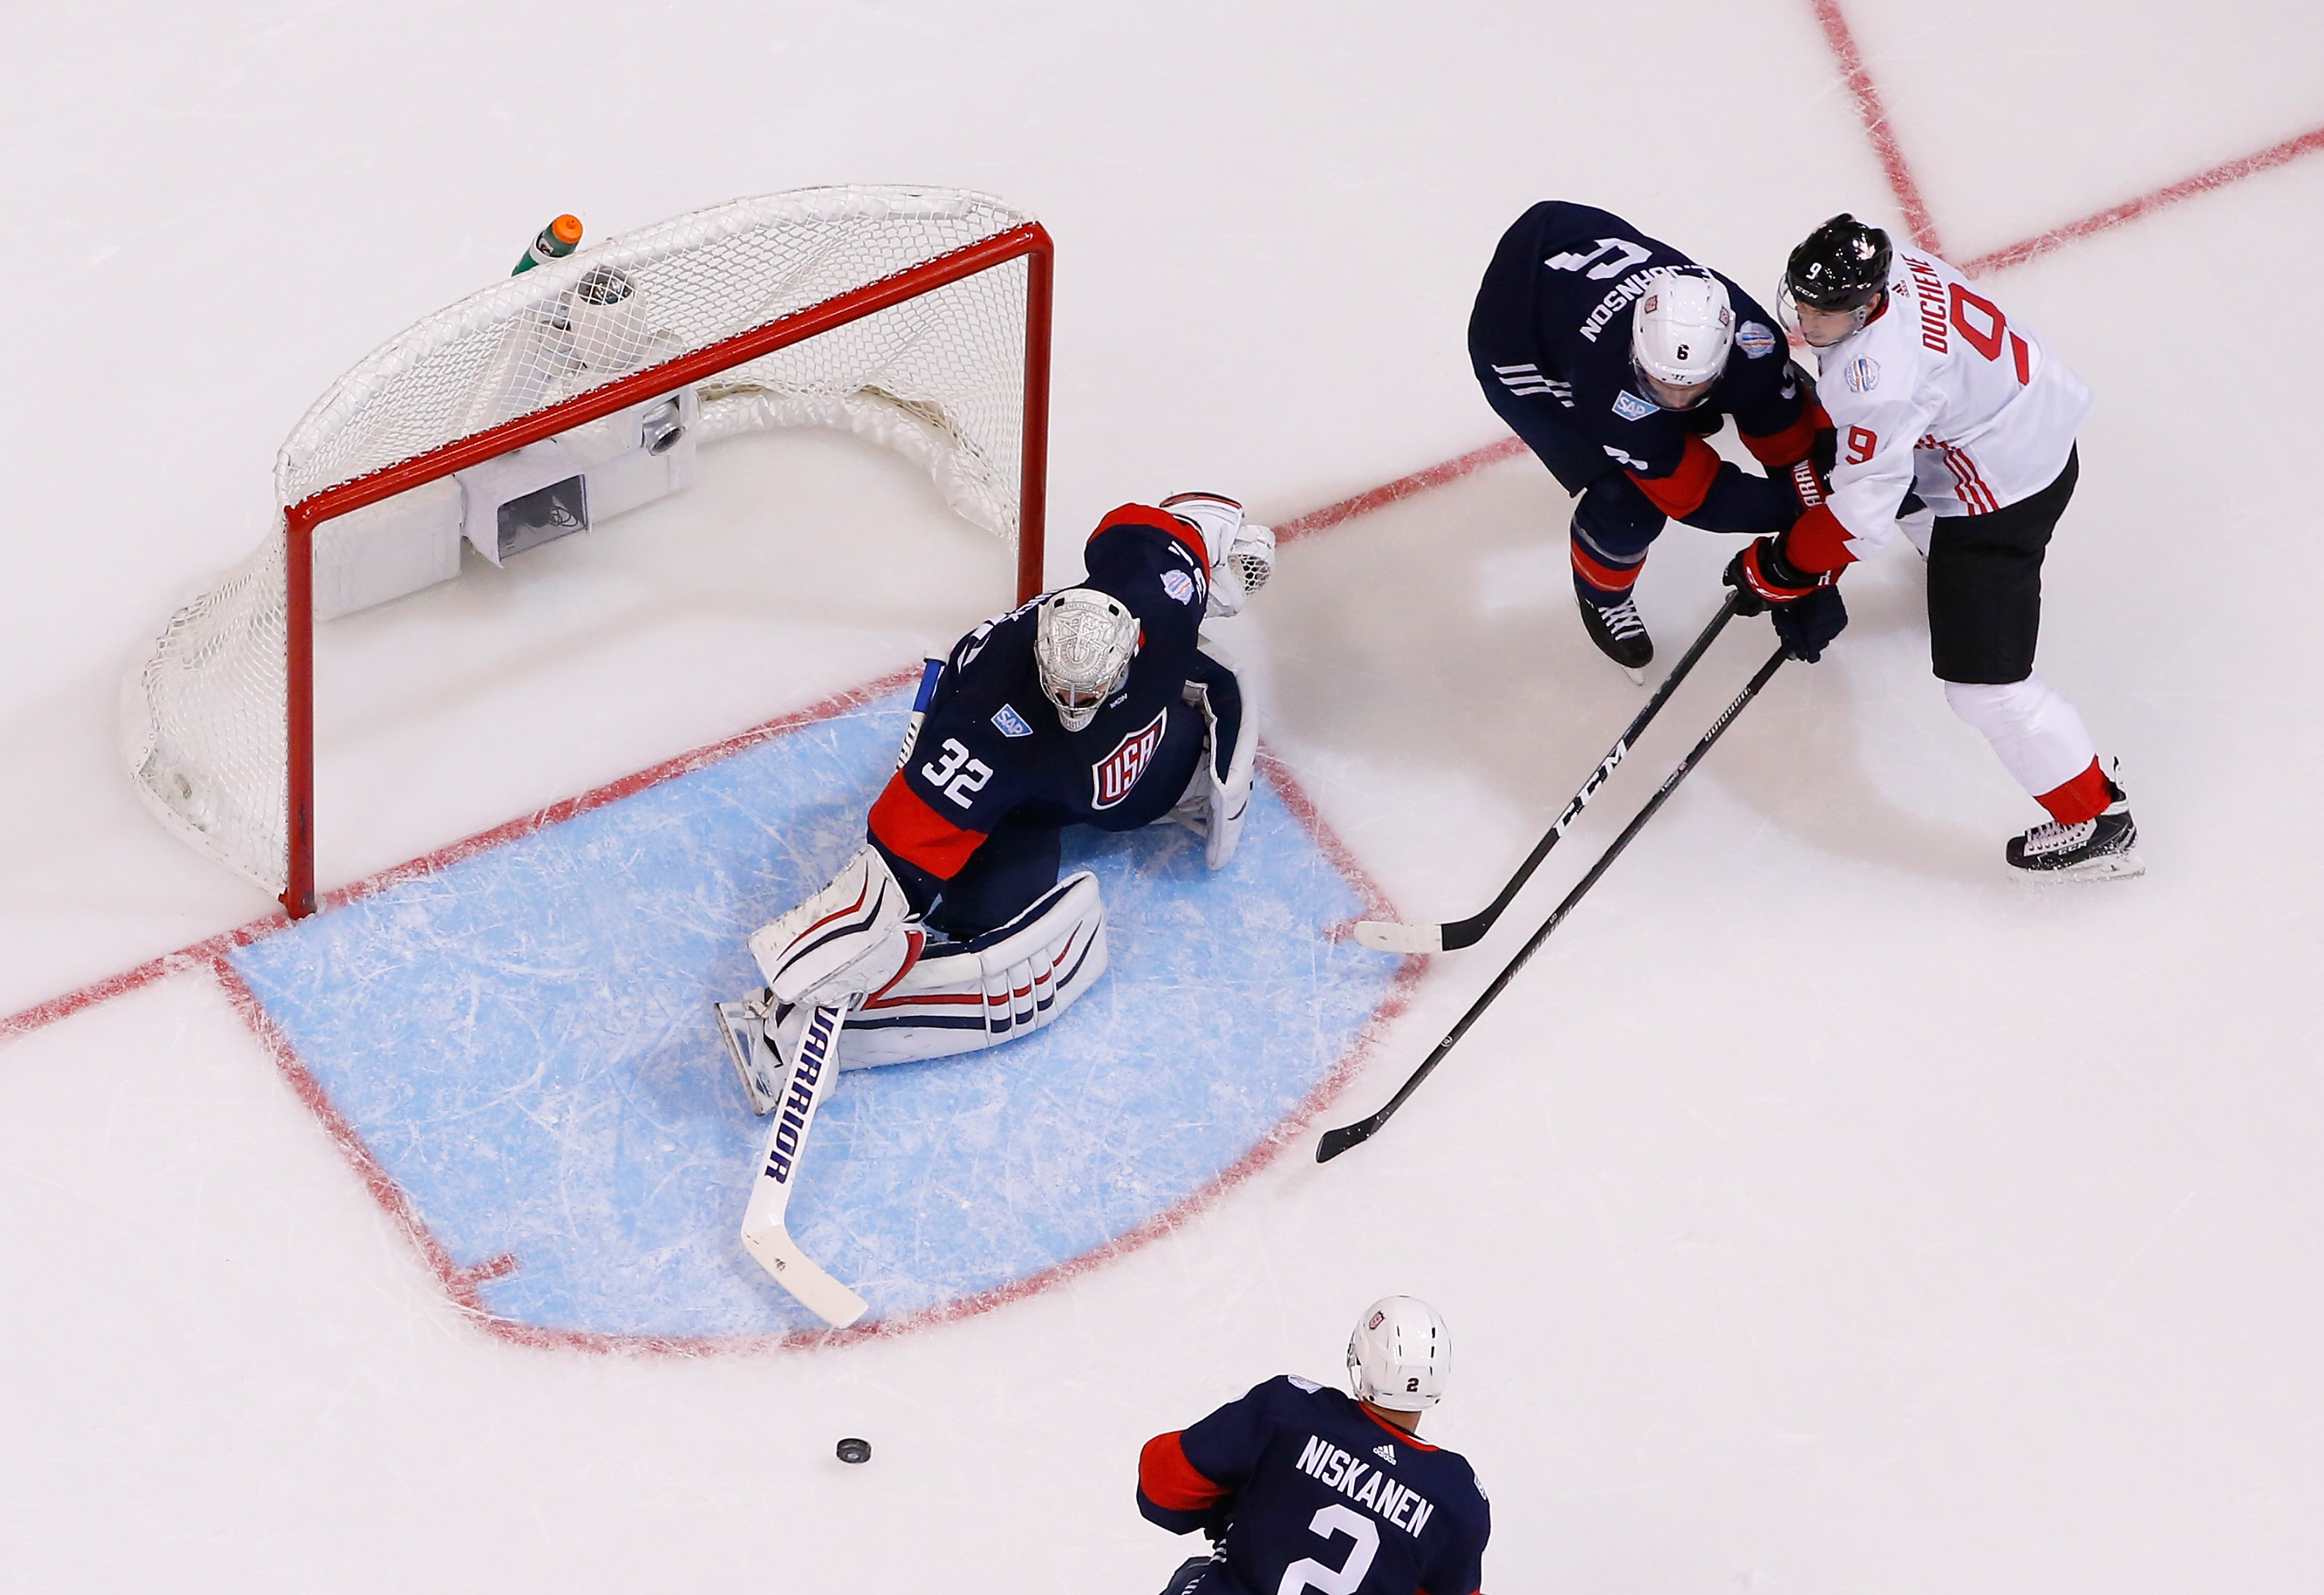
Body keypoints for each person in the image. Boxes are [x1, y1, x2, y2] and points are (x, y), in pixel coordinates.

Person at [715, 493, 1277, 1110]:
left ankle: (1166, 783)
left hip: (1099, 770)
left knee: (1151, 770)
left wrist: (1229, 548)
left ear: (1128, 650)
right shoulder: (982, 733)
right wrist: (800, 975)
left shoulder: (1162, 589)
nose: (1069, 701)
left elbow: (1171, 525)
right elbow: (885, 875)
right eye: (1058, 684)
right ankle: (837, 1031)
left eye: (1086, 692)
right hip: (1015, 790)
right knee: (986, 922)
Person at [1723, 215, 2141, 879]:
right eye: (1799, 299)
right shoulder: (1890, 263)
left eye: (1822, 313)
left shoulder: (1875, 378)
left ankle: (2096, 817)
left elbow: (1860, 521)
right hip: (2017, 417)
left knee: (1983, 692)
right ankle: (1936, 554)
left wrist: (1781, 566)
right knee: (1879, 467)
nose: (1803, 319)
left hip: (2005, 490)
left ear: (1866, 306)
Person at [1470, 200, 1841, 678]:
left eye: (1692, 387)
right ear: (1635, 349)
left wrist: (1813, 546)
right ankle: (1602, 593)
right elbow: (1699, 499)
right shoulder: (1609, 390)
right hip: (1522, 340)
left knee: (1782, 401)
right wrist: (1809, 523)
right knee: (1624, 499)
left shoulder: (1754, 340)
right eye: (1658, 384)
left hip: (1581, 246)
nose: (1675, 398)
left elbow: (1789, 445)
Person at [1137, 1297, 1491, 1595]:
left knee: (1192, 1574)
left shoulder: (1289, 1408)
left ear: (1359, 1358)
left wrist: (1235, 1502)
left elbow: (1161, 1492)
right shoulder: (1458, 1499)